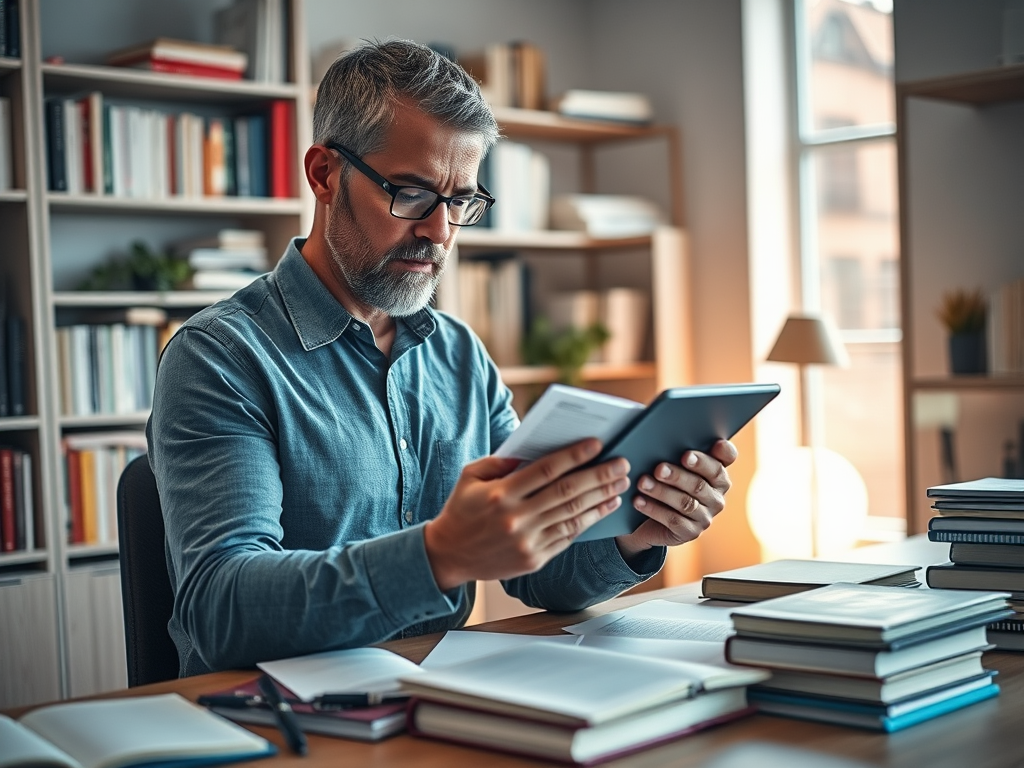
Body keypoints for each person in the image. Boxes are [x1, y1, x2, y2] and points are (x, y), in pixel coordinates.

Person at [147, 39, 738, 677]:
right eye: (411, 193)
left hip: (435, 704)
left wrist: (634, 533)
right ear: (324, 175)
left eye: (461, 202)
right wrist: (437, 557)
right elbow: (221, 610)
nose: (440, 231)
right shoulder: (219, 357)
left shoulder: (458, 355)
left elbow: (535, 571)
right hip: (273, 718)